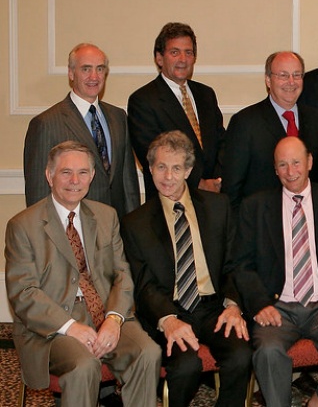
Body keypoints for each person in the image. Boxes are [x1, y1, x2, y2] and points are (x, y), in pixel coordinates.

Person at [6, 141, 160, 407]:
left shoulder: (105, 216)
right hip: (52, 326)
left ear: (92, 176)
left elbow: (122, 273)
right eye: (66, 172)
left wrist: (114, 319)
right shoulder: (23, 226)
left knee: (147, 352)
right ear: (49, 175)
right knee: (85, 364)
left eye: (83, 172)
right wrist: (70, 327)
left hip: (104, 312)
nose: (75, 181)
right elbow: (24, 293)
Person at [121, 131, 252, 406]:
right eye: (161, 167)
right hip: (170, 309)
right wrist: (168, 319)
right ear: (150, 168)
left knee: (241, 355)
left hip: (213, 307)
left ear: (188, 171)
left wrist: (233, 305)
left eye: (176, 168)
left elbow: (233, 264)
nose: (168, 176)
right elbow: (143, 285)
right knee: (187, 366)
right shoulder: (136, 222)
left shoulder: (218, 207)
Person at [234, 137, 318, 407]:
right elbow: (241, 265)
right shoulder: (255, 207)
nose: (291, 172)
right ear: (275, 169)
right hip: (278, 307)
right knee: (267, 352)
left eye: (296, 163)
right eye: (283, 165)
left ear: (310, 162)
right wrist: (259, 305)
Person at [24, 43, 140, 218]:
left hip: (116, 228)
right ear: (71, 73)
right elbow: (38, 192)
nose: (94, 76)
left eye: (100, 69)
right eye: (86, 69)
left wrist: (133, 227)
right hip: (72, 229)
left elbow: (128, 182)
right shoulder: (45, 123)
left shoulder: (118, 117)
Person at [128, 22, 225, 195]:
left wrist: (216, 181)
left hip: (212, 199)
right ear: (159, 58)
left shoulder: (206, 94)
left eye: (188, 52)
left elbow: (220, 142)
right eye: (175, 52)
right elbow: (152, 155)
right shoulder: (143, 100)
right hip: (170, 197)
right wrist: (199, 183)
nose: (183, 59)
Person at [222, 51, 318, 210]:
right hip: (262, 225)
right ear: (268, 80)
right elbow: (232, 189)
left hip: (308, 224)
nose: (291, 82)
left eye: (297, 75)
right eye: (283, 75)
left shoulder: (317, 120)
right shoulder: (245, 123)